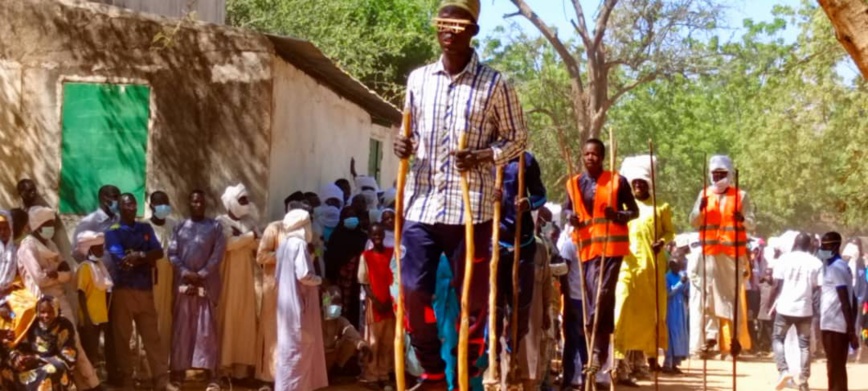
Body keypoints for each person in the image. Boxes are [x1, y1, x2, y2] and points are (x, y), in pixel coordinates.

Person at [392, 1, 529, 387]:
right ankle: (432, 368)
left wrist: (485, 155)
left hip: (472, 210)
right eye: (443, 23)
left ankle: (468, 370)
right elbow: (410, 134)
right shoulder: (418, 79)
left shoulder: (494, 83)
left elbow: (518, 138)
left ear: (473, 32)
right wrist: (402, 144)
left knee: (472, 301)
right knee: (414, 290)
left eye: (458, 23)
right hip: (422, 204)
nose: (449, 30)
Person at [564, 138, 639, 376]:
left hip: (611, 249)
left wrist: (617, 215)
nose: (590, 158)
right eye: (587, 154)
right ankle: (597, 350)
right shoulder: (574, 183)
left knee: (602, 293)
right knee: (593, 299)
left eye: (595, 154)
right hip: (587, 250)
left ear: (602, 157)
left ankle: (597, 349)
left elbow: (633, 211)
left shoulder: (618, 181)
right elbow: (568, 209)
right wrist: (570, 217)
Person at [17, 206, 102, 390]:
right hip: (43, 304)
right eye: (47, 224)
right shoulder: (28, 247)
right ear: (37, 225)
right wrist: (57, 274)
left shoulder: (51, 245)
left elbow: (67, 274)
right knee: (50, 347)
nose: (51, 228)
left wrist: (55, 274)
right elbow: (39, 278)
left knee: (72, 341)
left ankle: (88, 383)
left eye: (52, 224)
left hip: (60, 300)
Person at [613, 155, 673, 384]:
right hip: (625, 267)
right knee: (621, 312)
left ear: (649, 183)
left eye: (642, 182)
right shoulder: (624, 206)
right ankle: (618, 362)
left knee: (647, 317)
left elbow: (669, 232)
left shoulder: (661, 207)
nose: (638, 186)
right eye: (634, 182)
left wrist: (663, 242)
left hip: (650, 271)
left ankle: (637, 363)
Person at [689, 155, 755, 358]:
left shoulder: (740, 196)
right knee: (709, 296)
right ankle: (710, 336)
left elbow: (752, 222)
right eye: (714, 174)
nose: (717, 178)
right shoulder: (704, 194)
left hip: (732, 255)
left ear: (728, 175)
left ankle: (734, 337)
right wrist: (699, 211)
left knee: (732, 297)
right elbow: (693, 221)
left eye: (721, 174)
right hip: (710, 253)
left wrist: (742, 219)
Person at [103, 194, 170, 391]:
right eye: (126, 204)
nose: (131, 207)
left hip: (145, 289)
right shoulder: (113, 232)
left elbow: (158, 252)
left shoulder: (145, 228)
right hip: (123, 290)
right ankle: (127, 379)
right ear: (120, 208)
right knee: (123, 337)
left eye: (133, 204)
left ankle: (160, 379)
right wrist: (144, 257)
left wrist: (139, 255)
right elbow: (120, 259)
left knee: (152, 337)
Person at [493, 151, 547, 382]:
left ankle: (513, 353)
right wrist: (489, 195)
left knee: (521, 303)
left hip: (522, 240)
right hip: (494, 238)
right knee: (494, 304)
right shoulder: (485, 154)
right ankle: (492, 361)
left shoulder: (527, 160)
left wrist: (528, 203)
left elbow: (540, 195)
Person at [168, 190, 225, 391]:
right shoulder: (179, 227)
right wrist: (186, 273)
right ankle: (178, 373)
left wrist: (201, 274)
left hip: (206, 285)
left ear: (205, 203)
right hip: (184, 285)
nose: (198, 204)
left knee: (206, 330)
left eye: (201, 201)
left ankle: (212, 375)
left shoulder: (215, 227)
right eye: (194, 201)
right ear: (189, 204)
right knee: (182, 329)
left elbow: (218, 254)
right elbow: (172, 254)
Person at [274, 208, 328, 391]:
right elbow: (304, 275)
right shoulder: (298, 245)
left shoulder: (283, 245)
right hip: (299, 306)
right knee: (299, 351)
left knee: (288, 351)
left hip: (285, 307)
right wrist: (321, 280)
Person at [216, 183, 260, 380]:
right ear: (231, 202)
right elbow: (228, 244)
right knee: (228, 318)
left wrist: (244, 238)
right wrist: (249, 237)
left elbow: (259, 244)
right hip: (228, 278)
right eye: (242, 200)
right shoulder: (221, 222)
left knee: (245, 320)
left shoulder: (249, 221)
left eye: (246, 200)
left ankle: (241, 369)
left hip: (247, 279)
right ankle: (223, 368)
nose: (246, 204)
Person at [768, 232, 822, 391]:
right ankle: (804, 381)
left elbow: (777, 283)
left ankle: (783, 370)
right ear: (809, 245)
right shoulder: (816, 262)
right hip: (805, 309)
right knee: (804, 345)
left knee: (778, 338)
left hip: (785, 307)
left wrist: (770, 304)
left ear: (795, 244)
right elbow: (818, 287)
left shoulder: (784, 259)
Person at [3, 296, 77, 390]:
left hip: (51, 362)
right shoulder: (32, 324)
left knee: (51, 371)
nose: (46, 316)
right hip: (31, 361)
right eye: (42, 312)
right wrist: (19, 358)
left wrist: (38, 359)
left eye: (50, 312)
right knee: (8, 369)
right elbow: (20, 344)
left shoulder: (64, 325)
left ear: (57, 310)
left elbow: (68, 354)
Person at [818, 232, 858, 391]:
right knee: (836, 366)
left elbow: (845, 300)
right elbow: (852, 298)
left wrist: (851, 329)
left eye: (825, 246)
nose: (821, 249)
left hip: (834, 325)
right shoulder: (840, 266)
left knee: (835, 367)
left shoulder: (836, 268)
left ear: (835, 246)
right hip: (834, 324)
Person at [358, 223, 395, 386]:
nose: (377, 237)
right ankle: (371, 374)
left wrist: (389, 300)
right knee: (373, 341)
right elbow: (364, 282)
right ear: (370, 237)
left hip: (390, 303)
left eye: (380, 234)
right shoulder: (365, 256)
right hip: (375, 305)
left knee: (388, 341)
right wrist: (376, 300)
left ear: (384, 235)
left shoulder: (392, 253)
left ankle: (384, 373)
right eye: (374, 235)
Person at [145, 190, 177, 365]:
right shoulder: (144, 227)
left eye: (166, 203)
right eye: (159, 203)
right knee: (150, 320)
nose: (163, 206)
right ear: (151, 206)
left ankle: (163, 364)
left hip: (169, 276)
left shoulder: (174, 225)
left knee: (166, 319)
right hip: (151, 277)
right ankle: (146, 366)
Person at [324, 205, 368, 328]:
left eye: (353, 216)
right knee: (335, 307)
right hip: (337, 280)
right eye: (348, 216)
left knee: (353, 310)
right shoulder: (336, 236)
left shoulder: (362, 237)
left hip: (355, 282)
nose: (351, 219)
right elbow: (330, 259)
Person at [75, 231, 113, 373]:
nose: (102, 250)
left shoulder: (99, 267)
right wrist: (87, 318)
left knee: (95, 352)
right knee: (90, 353)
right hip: (89, 318)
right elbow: (81, 293)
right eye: (98, 248)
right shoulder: (85, 268)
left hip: (99, 316)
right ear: (90, 249)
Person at [556, 223, 588, 391]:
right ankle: (568, 381)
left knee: (585, 343)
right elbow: (564, 274)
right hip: (573, 299)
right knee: (572, 342)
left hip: (587, 301)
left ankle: (586, 380)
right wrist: (566, 299)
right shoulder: (570, 244)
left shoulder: (591, 243)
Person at [321, 286, 371, 378]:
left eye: (338, 303)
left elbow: (351, 331)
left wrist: (362, 345)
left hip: (332, 357)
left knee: (351, 341)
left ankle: (336, 371)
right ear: (326, 303)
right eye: (334, 302)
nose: (337, 306)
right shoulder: (316, 320)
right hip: (318, 359)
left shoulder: (340, 321)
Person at [73, 185, 121, 262]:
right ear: (104, 199)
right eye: (115, 197)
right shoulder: (89, 222)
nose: (118, 201)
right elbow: (76, 253)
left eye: (119, 197)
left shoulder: (119, 220)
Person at [663, 260, 689, 373]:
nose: (679, 268)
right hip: (671, 309)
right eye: (677, 265)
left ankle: (675, 364)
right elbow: (667, 294)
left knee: (680, 336)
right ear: (671, 265)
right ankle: (667, 364)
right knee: (671, 336)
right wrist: (680, 284)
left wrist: (687, 284)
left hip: (681, 310)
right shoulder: (666, 277)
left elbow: (686, 292)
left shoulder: (680, 276)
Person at [756, 268, 776, 355]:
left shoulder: (774, 287)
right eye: (767, 274)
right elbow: (756, 300)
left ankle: (771, 349)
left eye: (770, 274)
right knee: (760, 332)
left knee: (770, 332)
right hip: (760, 313)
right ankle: (760, 348)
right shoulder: (760, 286)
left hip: (770, 314)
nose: (768, 276)